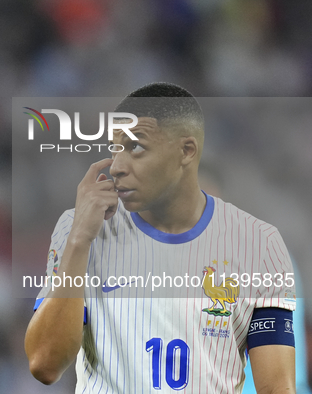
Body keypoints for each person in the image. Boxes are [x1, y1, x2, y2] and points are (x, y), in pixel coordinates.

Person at [24, 83, 297, 393]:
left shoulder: (260, 245)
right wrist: (79, 241)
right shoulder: (78, 228)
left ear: (186, 151)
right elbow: (45, 364)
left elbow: (276, 388)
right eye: (114, 148)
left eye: (136, 147)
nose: (117, 166)